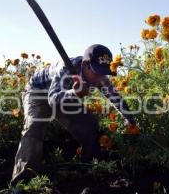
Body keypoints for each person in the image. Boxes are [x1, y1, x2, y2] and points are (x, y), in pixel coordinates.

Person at [10, 44, 136, 185]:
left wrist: (131, 120)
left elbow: (115, 98)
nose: (100, 78)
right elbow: (52, 99)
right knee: (34, 128)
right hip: (38, 92)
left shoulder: (99, 77)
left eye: (104, 73)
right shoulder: (66, 68)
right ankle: (22, 181)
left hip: (64, 95)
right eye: (97, 72)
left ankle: (90, 166)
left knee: (89, 123)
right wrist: (74, 93)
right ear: (86, 65)